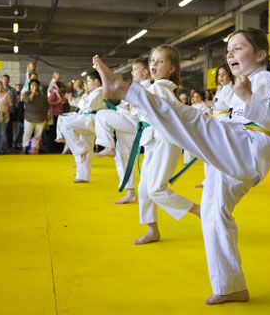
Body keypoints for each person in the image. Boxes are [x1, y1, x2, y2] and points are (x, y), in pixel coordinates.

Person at [93, 27, 270, 305]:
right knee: (213, 214)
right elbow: (221, 119)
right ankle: (231, 285)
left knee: (189, 118)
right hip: (231, 152)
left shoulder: (265, 78)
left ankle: (125, 89)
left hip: (250, 146)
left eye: (238, 48)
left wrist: (249, 97)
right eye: (228, 50)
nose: (230, 54)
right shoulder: (234, 87)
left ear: (261, 55)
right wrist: (207, 144)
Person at [126, 46, 200, 245]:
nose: (154, 65)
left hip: (165, 141)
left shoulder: (160, 87)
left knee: (156, 189)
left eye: (161, 62)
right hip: (153, 140)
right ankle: (152, 230)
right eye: (152, 61)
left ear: (172, 69)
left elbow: (166, 112)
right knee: (144, 189)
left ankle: (199, 210)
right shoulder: (154, 87)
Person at [94, 58, 152, 204]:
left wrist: (132, 108)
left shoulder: (148, 87)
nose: (132, 72)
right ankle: (130, 192)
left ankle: (108, 146)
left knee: (101, 115)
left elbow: (147, 108)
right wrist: (123, 107)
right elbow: (125, 104)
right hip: (128, 123)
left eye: (135, 69)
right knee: (122, 156)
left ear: (145, 72)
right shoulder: (136, 87)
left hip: (135, 123)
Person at [59, 71, 106, 183]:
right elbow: (85, 106)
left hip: (90, 120)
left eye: (89, 81)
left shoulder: (99, 92)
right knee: (87, 146)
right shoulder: (94, 92)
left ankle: (80, 151)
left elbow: (88, 106)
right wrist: (72, 100)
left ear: (96, 81)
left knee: (66, 127)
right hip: (88, 120)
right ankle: (83, 176)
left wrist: (84, 95)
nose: (87, 84)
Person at [21, 79, 49, 154]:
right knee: (27, 133)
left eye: (36, 85)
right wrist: (33, 93)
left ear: (38, 86)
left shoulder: (42, 94)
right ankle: (24, 148)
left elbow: (47, 105)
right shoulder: (26, 93)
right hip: (29, 117)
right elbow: (27, 101)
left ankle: (34, 149)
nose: (34, 86)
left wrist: (48, 114)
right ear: (30, 86)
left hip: (41, 117)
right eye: (32, 85)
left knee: (38, 134)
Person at [46, 81, 65, 153]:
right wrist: (57, 102)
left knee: (59, 132)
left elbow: (63, 101)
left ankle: (58, 146)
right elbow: (48, 102)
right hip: (54, 115)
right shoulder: (53, 94)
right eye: (62, 87)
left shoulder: (60, 94)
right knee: (53, 132)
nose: (62, 89)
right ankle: (52, 147)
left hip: (60, 115)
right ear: (58, 88)